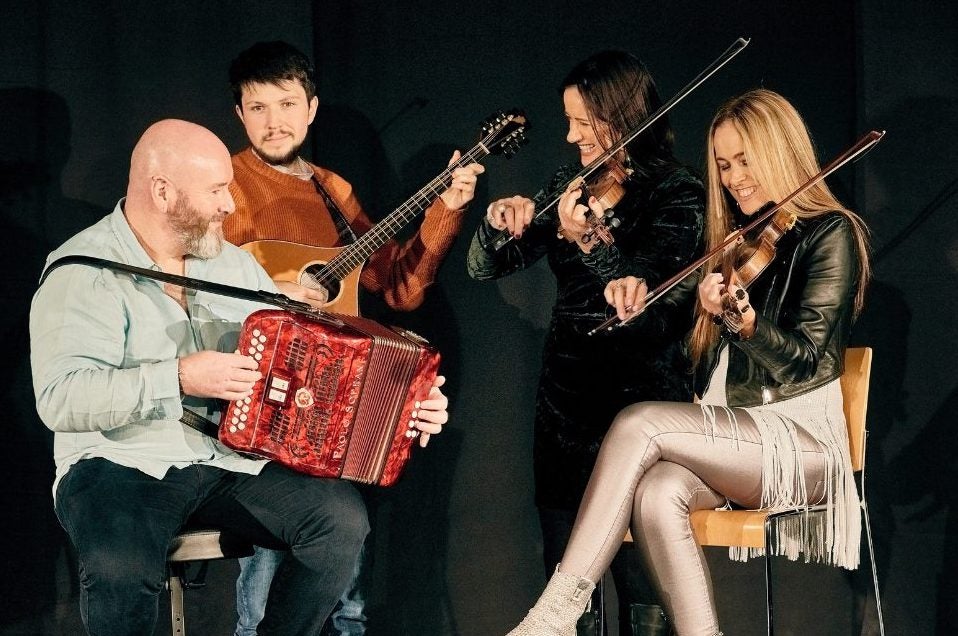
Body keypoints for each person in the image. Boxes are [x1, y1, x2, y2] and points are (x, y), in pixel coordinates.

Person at [29, 119, 450, 636]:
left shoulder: (234, 265)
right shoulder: (82, 270)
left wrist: (408, 403)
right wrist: (180, 376)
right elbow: (61, 398)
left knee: (339, 522)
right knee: (120, 564)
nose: (231, 204)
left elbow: (311, 366)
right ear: (162, 192)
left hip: (226, 457)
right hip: (118, 460)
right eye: (216, 190)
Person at [505, 88, 872, 636]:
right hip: (738, 435)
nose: (733, 177)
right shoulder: (736, 242)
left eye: (745, 160)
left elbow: (806, 362)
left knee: (639, 422)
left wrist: (745, 325)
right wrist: (702, 318)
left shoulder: (831, 232)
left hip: (803, 445)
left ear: (780, 151)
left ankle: (555, 612)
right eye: (723, 165)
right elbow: (704, 365)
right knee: (656, 494)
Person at [224, 41, 483, 636]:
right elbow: (196, 284)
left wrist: (444, 210)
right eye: (258, 107)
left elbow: (399, 287)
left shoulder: (331, 189)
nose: (274, 121)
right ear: (239, 114)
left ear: (312, 108)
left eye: (287, 104)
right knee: (265, 596)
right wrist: (277, 292)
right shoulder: (225, 183)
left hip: (338, 405)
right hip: (263, 406)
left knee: (348, 602)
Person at [467, 51, 705, 633]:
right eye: (568, 121)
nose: (571, 136)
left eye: (583, 122)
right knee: (565, 583)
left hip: (641, 401)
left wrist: (593, 241)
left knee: (643, 585)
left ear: (622, 116)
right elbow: (483, 268)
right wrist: (498, 223)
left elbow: (645, 311)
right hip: (565, 405)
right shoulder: (568, 186)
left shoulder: (677, 195)